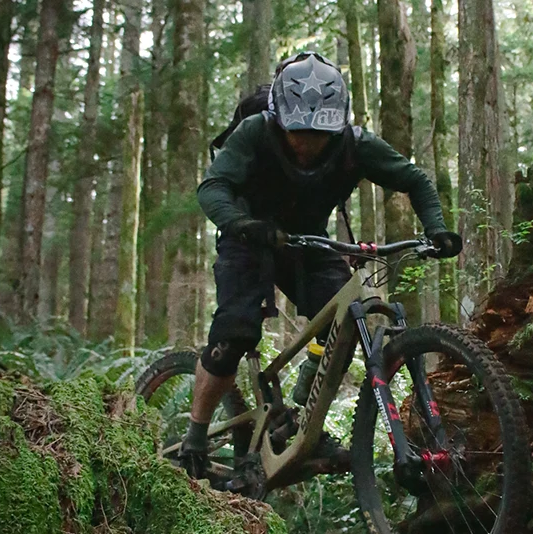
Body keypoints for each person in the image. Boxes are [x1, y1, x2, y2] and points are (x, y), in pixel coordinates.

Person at [181, 51, 462, 481]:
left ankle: (301, 421)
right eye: (298, 133)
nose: (307, 144)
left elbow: (415, 180)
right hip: (247, 238)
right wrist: (242, 223)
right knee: (234, 333)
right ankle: (195, 437)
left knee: (347, 320)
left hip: (307, 243)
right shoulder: (254, 132)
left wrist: (436, 228)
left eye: (319, 135)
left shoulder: (355, 144)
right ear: (278, 119)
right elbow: (213, 186)